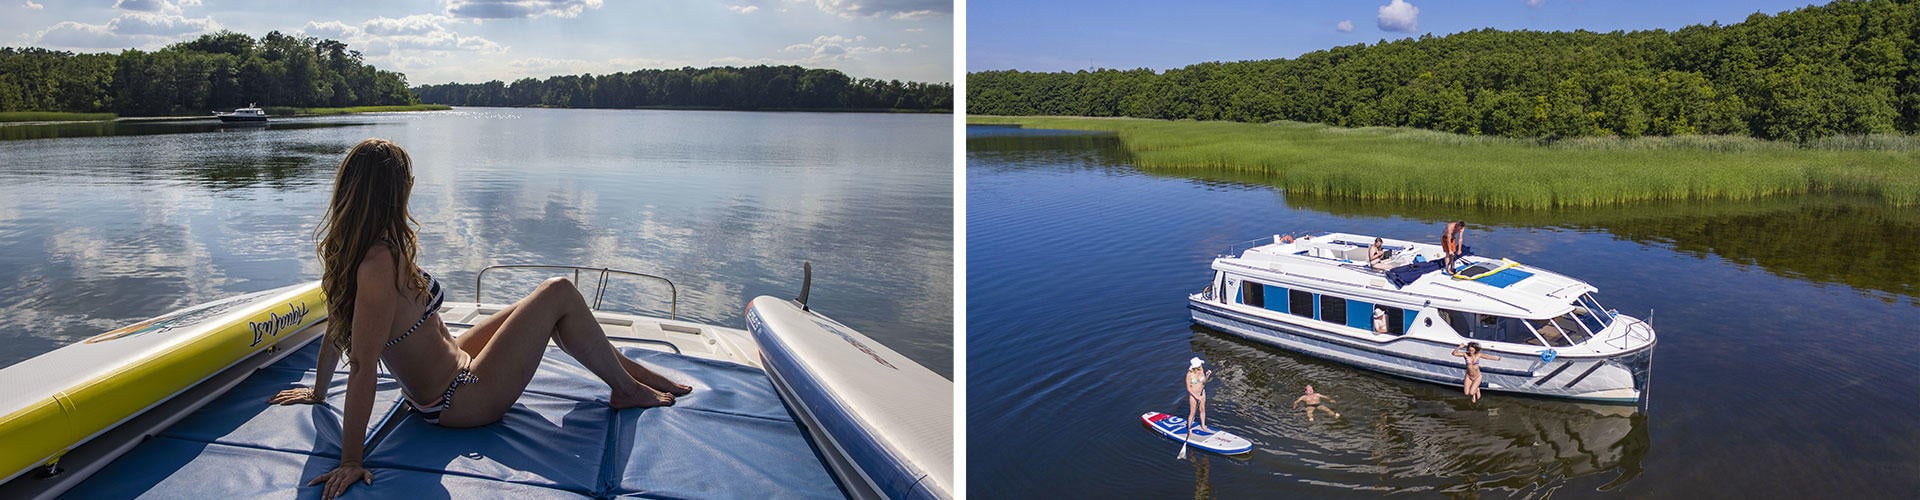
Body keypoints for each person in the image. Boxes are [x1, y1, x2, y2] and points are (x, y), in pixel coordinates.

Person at [268, 139, 692, 500]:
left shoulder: (361, 249)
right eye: (408, 181)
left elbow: (335, 330)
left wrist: (318, 393)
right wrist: (351, 461)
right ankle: (626, 389)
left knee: (545, 306)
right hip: (459, 398)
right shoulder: (378, 261)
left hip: (453, 367)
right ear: (394, 192)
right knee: (558, 291)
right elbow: (361, 364)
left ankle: (635, 377)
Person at [1185, 357, 1212, 434]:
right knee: (1192, 412)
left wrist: (1207, 376)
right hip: (1194, 395)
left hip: (1202, 393)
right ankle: (1189, 429)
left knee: (1202, 410)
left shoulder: (1201, 370)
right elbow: (1188, 388)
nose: (1201, 366)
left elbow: (1203, 382)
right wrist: (1196, 396)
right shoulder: (1189, 374)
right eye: (1200, 365)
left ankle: (1203, 426)